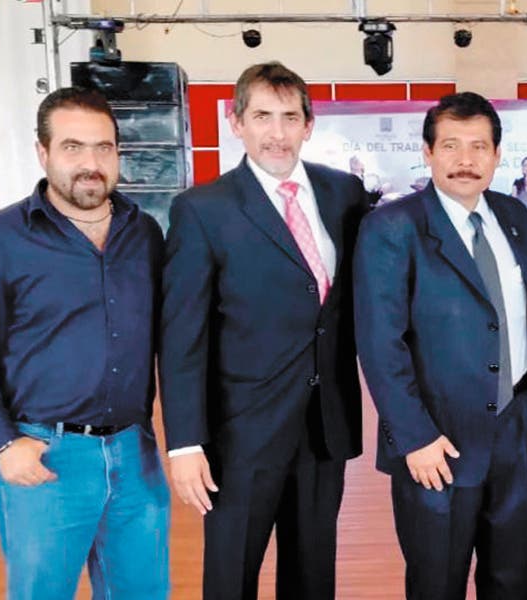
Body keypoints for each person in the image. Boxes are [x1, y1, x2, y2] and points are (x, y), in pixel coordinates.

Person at [0, 87, 168, 600]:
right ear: (42, 153)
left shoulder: (144, 234)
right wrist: (3, 443)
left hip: (135, 456)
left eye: (104, 147)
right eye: (72, 147)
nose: (91, 164)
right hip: (44, 456)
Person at [159, 61, 367, 600]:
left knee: (313, 577)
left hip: (325, 427)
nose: (277, 133)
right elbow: (182, 337)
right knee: (232, 577)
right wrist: (184, 442)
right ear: (236, 123)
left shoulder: (345, 194)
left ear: (308, 125)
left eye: (290, 117)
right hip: (240, 435)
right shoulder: (202, 209)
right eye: (262, 117)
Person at [354, 92, 527, 600]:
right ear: (428, 152)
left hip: (516, 433)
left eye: (479, 146)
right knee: (436, 584)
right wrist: (414, 436)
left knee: (511, 581)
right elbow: (379, 342)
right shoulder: (392, 227)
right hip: (436, 443)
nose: (465, 160)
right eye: (451, 146)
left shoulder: (515, 217)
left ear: (497, 155)